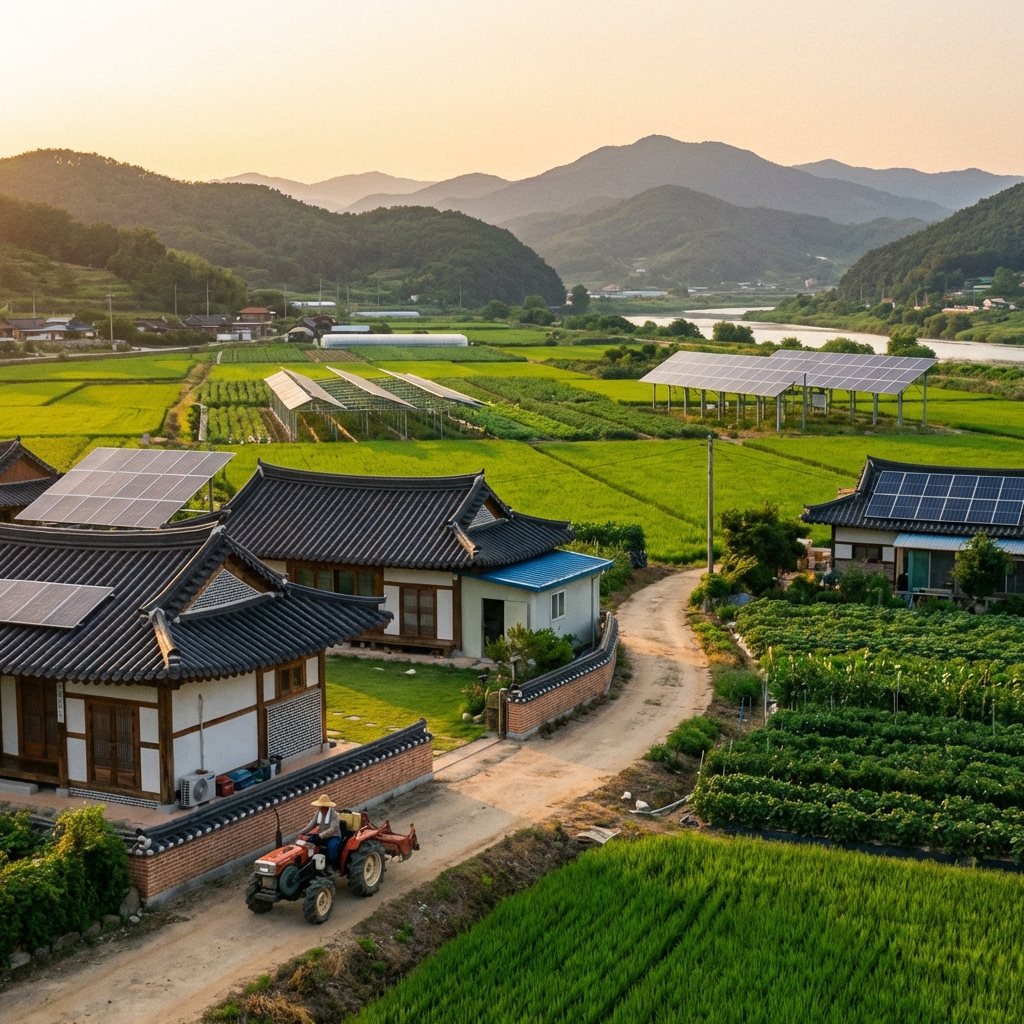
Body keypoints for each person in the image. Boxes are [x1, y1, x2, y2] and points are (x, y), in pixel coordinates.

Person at [303, 794, 345, 866]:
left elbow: (333, 829)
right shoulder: (318, 813)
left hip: (333, 836)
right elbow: (312, 823)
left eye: (322, 807)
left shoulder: (334, 815)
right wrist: (303, 832)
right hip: (321, 835)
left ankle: (332, 864)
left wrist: (321, 835)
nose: (320, 808)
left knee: (332, 847)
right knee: (308, 842)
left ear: (326, 807)